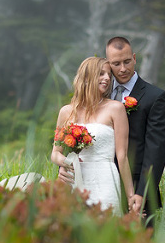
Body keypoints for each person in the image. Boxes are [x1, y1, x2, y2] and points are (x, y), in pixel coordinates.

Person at [58, 37, 165, 225]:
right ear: (108, 64)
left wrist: (142, 192)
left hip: (134, 186)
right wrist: (64, 166)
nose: (123, 69)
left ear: (134, 58)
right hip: (86, 180)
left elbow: (155, 151)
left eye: (127, 61)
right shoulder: (99, 90)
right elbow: (72, 137)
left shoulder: (154, 97)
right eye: (116, 64)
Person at [50, 56, 142, 216]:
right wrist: (66, 164)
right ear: (86, 77)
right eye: (101, 74)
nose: (107, 78)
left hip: (105, 179)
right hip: (73, 179)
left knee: (105, 225)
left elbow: (122, 156)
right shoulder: (66, 111)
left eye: (108, 75)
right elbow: (55, 153)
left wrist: (130, 195)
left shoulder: (116, 108)